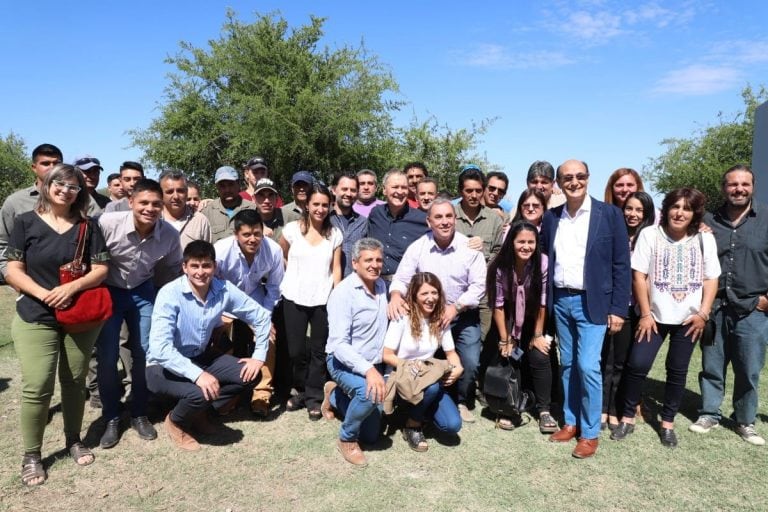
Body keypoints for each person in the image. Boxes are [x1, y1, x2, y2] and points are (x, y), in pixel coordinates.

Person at [4, 164, 109, 485]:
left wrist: (71, 288)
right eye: (60, 183)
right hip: (36, 315)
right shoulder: (25, 223)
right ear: (47, 185)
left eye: (74, 186)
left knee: (75, 381)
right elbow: (11, 269)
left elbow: (102, 268)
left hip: (79, 317)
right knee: (37, 385)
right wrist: (44, 293)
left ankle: (73, 439)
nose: (66, 189)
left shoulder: (88, 227)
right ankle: (32, 454)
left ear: (81, 192)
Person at [611, 188, 719, 448]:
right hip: (654, 318)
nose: (680, 212)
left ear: (694, 213)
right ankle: (628, 417)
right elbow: (639, 276)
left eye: (687, 208)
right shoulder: (650, 235)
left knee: (677, 370)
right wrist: (646, 314)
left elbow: (711, 278)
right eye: (675, 206)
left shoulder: (704, 239)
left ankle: (667, 422)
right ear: (666, 209)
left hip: (688, 320)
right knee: (637, 365)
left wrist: (703, 313)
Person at [539, 159, 630, 459]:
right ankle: (571, 421)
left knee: (588, 365)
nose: (574, 181)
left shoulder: (610, 215)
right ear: (559, 183)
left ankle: (590, 433)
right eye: (567, 177)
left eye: (579, 176)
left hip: (594, 302)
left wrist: (618, 308)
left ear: (588, 178)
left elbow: (621, 264)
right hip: (561, 300)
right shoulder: (552, 217)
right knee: (567, 364)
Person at [146, 240, 271, 451]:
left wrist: (259, 356)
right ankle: (176, 421)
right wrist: (198, 375)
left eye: (206, 265)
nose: (201, 272)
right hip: (162, 366)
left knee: (251, 374)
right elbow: (160, 349)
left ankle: (198, 412)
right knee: (199, 392)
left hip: (201, 356)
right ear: (184, 267)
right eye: (194, 266)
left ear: (215, 266)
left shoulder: (224, 289)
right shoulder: (170, 294)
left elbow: (261, 316)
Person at [96, 178, 183, 449]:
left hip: (143, 291)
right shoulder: (107, 224)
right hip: (109, 289)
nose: (150, 208)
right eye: (143, 202)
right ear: (131, 201)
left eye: (156, 204)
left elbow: (174, 270)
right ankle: (112, 415)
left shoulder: (169, 234)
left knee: (145, 351)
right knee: (108, 355)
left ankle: (139, 412)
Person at [389, 198, 486, 423]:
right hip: (427, 316)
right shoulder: (418, 247)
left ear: (455, 218)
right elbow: (402, 278)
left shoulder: (469, 248)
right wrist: (395, 295)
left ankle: (461, 400)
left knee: (469, 362)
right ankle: (424, 397)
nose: (444, 222)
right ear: (428, 221)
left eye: (448, 216)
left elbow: (479, 286)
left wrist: (456, 307)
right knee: (424, 358)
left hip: (462, 314)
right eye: (438, 217)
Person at [691, 164, 768, 446]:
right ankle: (709, 412)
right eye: (733, 184)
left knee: (748, 368)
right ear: (724, 188)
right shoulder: (709, 221)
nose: (739, 189)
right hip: (716, 306)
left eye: (744, 184)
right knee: (712, 363)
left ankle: (745, 420)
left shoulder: (766, 220)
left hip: (753, 308)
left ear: (752, 186)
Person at [322, 238, 388, 465]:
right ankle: (347, 439)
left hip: (372, 363)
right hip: (342, 362)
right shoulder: (343, 293)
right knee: (368, 395)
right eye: (368, 259)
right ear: (354, 263)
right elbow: (339, 345)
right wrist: (368, 370)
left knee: (371, 435)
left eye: (379, 260)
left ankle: (334, 395)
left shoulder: (382, 286)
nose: (374, 265)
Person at [279, 182, 342, 420]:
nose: (320, 209)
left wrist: (336, 297)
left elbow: (336, 268)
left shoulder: (334, 234)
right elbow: (281, 253)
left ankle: (314, 397)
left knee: (318, 350)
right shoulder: (292, 230)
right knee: (296, 351)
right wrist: (292, 274)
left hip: (322, 298)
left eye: (325, 205)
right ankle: (301, 390)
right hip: (294, 295)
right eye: (316, 204)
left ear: (331, 206)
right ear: (307, 205)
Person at [214, 209, 284, 417]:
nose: (252, 239)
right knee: (218, 335)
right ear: (236, 235)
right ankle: (227, 393)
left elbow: (274, 288)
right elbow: (212, 284)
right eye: (246, 234)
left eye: (257, 234)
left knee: (267, 336)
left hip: (255, 296)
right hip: (225, 297)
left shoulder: (273, 250)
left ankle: (261, 394)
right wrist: (219, 315)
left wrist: (264, 318)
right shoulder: (221, 250)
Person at [382, 272, 463, 451]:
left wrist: (458, 368)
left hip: (427, 376)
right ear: (414, 296)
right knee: (432, 386)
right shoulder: (403, 316)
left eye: (434, 293)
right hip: (400, 374)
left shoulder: (440, 319)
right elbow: (387, 355)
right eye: (424, 294)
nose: (430, 298)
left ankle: (417, 410)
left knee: (452, 425)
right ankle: (413, 425)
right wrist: (410, 366)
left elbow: (451, 354)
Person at [487, 221, 555, 433]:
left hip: (535, 318)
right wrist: (506, 339)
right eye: (521, 242)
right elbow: (498, 305)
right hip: (509, 319)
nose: (526, 246)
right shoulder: (500, 266)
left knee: (539, 356)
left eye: (531, 242)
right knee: (512, 357)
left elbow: (543, 302)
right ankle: (511, 407)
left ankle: (544, 410)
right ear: (511, 243)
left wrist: (537, 335)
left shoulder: (542, 263)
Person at [600, 191, 656, 430]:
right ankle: (603, 408)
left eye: (638, 210)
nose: (632, 214)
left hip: (639, 309)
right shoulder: (614, 235)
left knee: (625, 362)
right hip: (613, 306)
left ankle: (618, 408)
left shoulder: (652, 238)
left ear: (647, 214)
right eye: (629, 209)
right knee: (607, 359)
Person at [1, 144, 63, 282]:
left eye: (56, 163)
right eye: (46, 163)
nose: (52, 167)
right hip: (30, 285)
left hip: (74, 284)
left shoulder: (79, 199)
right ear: (34, 168)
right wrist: (11, 277)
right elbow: (3, 244)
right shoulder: (15, 202)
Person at [366, 169, 428, 281]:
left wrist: (469, 241)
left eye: (404, 187)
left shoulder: (422, 220)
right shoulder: (375, 214)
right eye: (395, 187)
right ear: (384, 190)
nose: (399, 192)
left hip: (406, 286)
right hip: (375, 284)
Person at [201, 166, 256, 243]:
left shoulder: (252, 209)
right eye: (222, 186)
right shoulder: (207, 212)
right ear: (217, 187)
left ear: (238, 184)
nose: (227, 190)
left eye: (231, 184)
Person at [160, 170, 211, 249]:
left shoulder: (200, 221)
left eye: (180, 191)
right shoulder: (152, 220)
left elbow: (208, 255)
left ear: (186, 192)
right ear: (160, 194)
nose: (176, 196)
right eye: (170, 192)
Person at [330, 172, 368, 277]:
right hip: (326, 286)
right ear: (334, 190)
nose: (349, 194)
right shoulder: (324, 220)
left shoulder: (363, 222)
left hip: (354, 284)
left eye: (353, 190)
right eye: (344, 189)